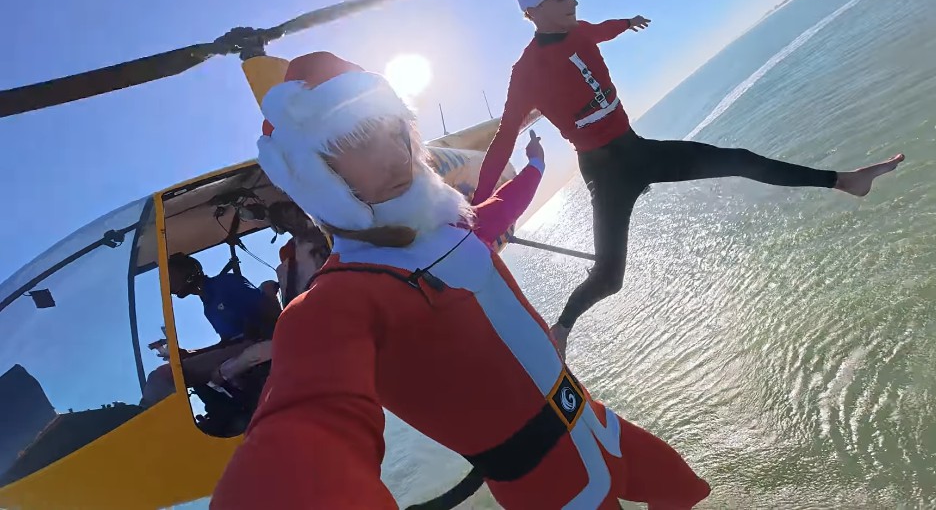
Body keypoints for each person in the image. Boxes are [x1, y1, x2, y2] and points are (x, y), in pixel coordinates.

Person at [209, 51, 711, 509]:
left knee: (684, 489)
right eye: (357, 140)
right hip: (550, 487)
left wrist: (536, 164)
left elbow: (501, 206)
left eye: (393, 130)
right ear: (315, 174)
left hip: (596, 425)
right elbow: (304, 441)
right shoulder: (338, 299)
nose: (394, 155)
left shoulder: (451, 227)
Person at [472, 0, 906, 357]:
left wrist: (626, 23)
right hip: (606, 174)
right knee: (609, 277)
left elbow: (601, 30)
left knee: (739, 160)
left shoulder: (580, 31)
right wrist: (476, 206)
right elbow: (504, 138)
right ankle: (562, 329)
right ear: (533, 9)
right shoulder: (526, 72)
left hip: (638, 152)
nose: (574, 1)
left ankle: (844, 181)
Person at [139, 254, 280, 407]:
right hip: (240, 346)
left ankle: (144, 413)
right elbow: (225, 343)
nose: (169, 284)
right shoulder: (208, 308)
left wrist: (255, 332)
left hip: (254, 342)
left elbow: (265, 310)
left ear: (189, 270)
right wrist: (190, 354)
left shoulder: (225, 283)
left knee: (164, 376)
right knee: (167, 374)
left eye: (171, 276)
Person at [266, 200, 331, 306]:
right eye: (286, 217)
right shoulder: (288, 251)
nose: (296, 218)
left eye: (296, 213)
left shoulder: (329, 229)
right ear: (284, 226)